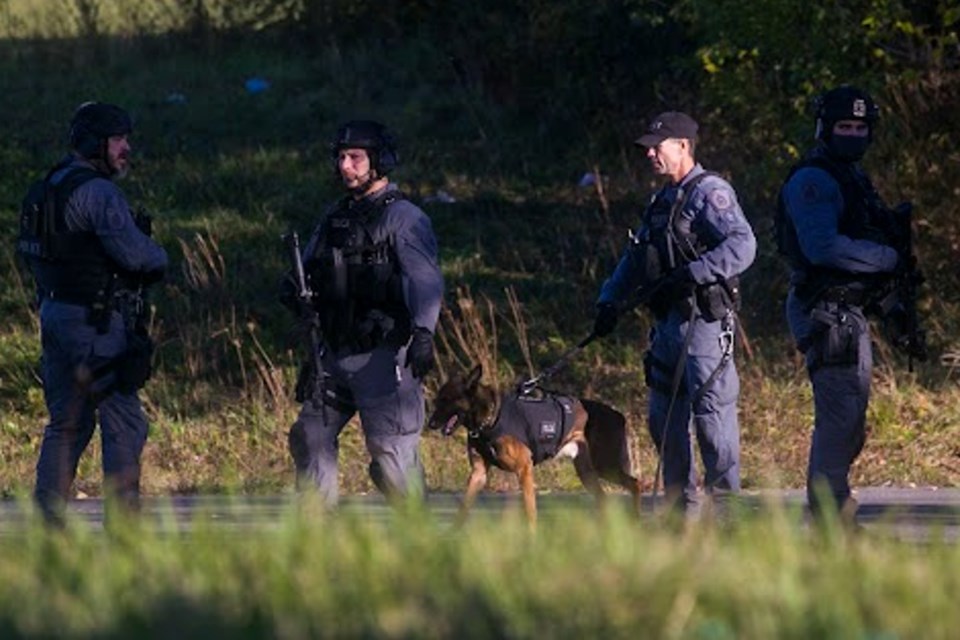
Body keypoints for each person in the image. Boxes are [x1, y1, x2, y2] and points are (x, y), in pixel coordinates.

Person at [592, 111, 756, 516]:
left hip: (702, 325)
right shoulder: (661, 201)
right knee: (663, 422)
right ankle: (678, 512)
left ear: (683, 145)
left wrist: (694, 274)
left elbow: (743, 245)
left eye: (656, 145)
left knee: (712, 423)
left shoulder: (709, 193)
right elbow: (635, 258)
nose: (649, 153)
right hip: (666, 327)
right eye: (647, 147)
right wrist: (609, 301)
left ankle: (729, 515)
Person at [16, 102, 168, 525]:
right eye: (118, 139)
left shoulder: (45, 186)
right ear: (93, 143)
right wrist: (161, 254)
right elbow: (141, 258)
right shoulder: (99, 192)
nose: (126, 147)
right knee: (124, 422)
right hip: (96, 324)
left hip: (54, 314)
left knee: (66, 422)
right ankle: (123, 527)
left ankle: (48, 524)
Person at [283, 120, 443, 506]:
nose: (345, 165)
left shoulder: (403, 218)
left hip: (383, 355)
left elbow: (425, 280)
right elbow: (308, 275)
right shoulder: (334, 217)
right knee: (309, 436)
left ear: (379, 160)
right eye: (340, 157)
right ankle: (317, 533)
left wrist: (424, 333)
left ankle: (420, 540)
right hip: (335, 354)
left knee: (390, 455)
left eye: (355, 157)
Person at [778, 86, 909, 525]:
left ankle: (831, 504)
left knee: (851, 416)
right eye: (843, 126)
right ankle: (828, 514)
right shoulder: (814, 179)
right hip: (825, 310)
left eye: (859, 127)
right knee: (840, 415)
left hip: (845, 312)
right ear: (825, 129)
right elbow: (823, 247)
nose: (852, 134)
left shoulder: (849, 175)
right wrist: (888, 258)